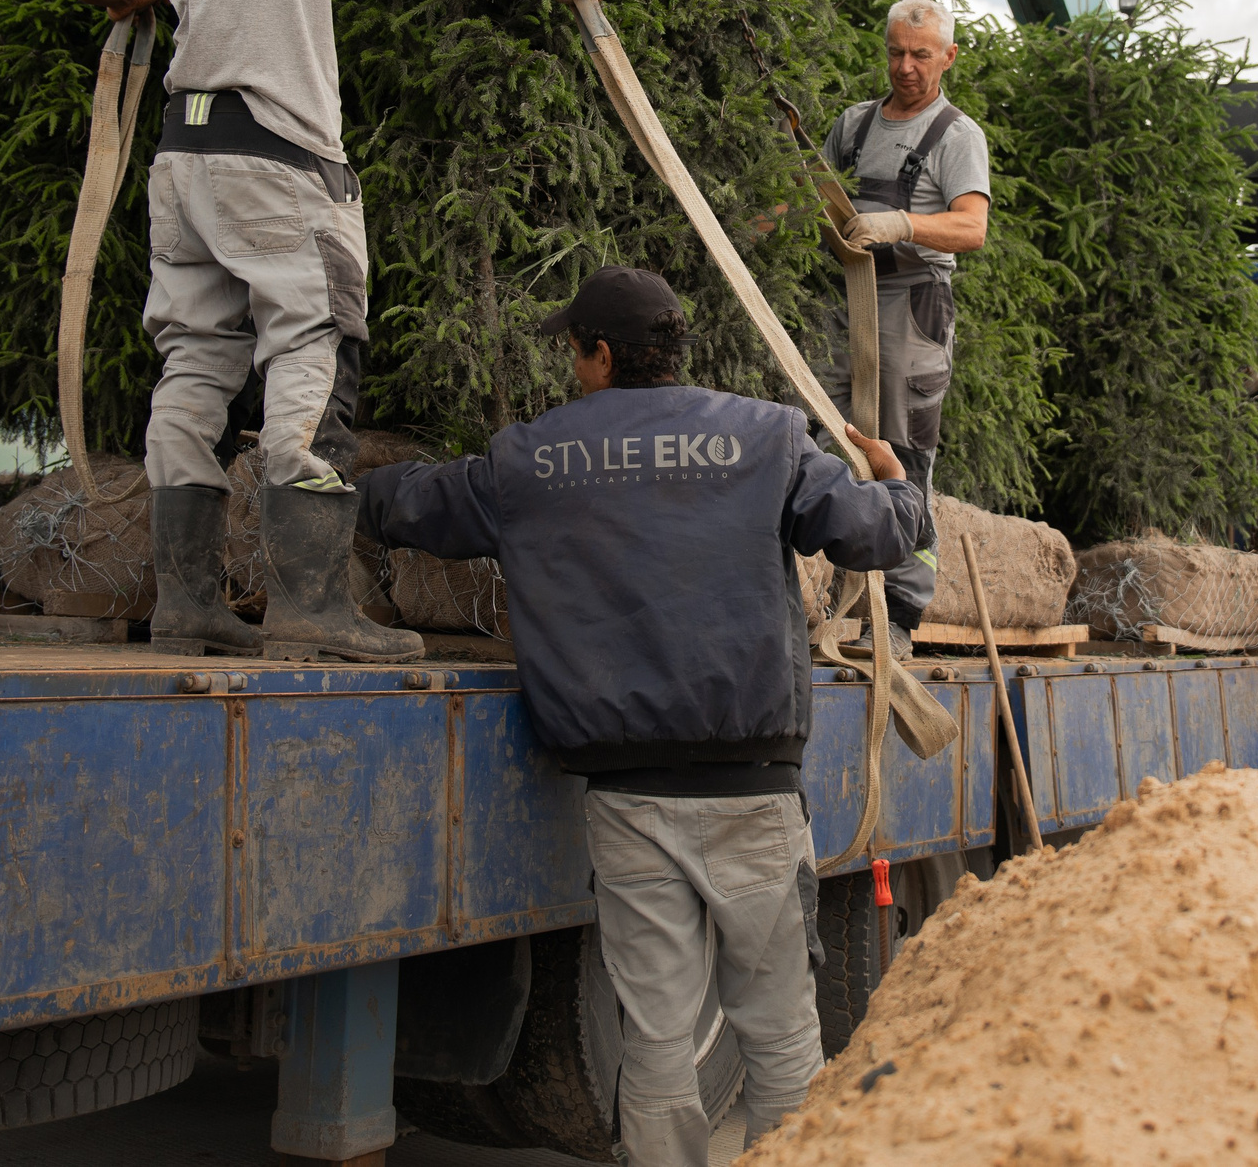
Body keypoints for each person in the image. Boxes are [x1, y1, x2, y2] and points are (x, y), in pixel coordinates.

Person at [57, 0, 603, 662]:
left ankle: (185, 603)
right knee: (309, 353)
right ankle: (309, 604)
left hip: (184, 155)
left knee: (192, 368)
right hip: (281, 159)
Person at [355, 266, 923, 1166]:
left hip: (627, 802)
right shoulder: (767, 436)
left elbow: (421, 505)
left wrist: (348, 488)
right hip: (754, 796)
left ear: (602, 355)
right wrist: (902, 482)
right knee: (778, 1034)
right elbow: (874, 534)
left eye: (574, 350)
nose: (572, 367)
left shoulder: (533, 456)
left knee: (657, 1042)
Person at [814, 0, 991, 652]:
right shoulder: (854, 125)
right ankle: (835, 593)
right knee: (825, 431)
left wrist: (904, 223)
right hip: (847, 298)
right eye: (896, 52)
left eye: (921, 54)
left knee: (904, 453)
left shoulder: (956, 135)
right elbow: (809, 195)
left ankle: (903, 615)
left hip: (914, 304)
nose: (906, 66)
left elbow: (972, 227)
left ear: (947, 56)